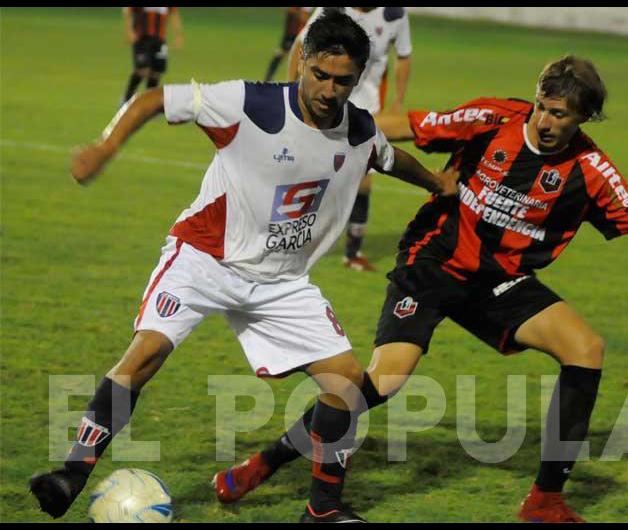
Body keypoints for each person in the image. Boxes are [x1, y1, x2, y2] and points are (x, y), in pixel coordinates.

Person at [212, 55, 628, 522]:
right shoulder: (494, 117)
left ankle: (544, 501)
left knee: (585, 348)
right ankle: (268, 461)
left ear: (583, 119)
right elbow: (407, 125)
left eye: (559, 114)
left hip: (500, 282)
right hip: (433, 264)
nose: (543, 120)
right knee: (382, 382)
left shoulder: (590, 169)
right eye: (542, 105)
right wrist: (327, 127)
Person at [29, 10, 456, 523]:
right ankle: (71, 474)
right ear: (302, 60)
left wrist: (436, 182)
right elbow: (154, 99)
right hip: (205, 258)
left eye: (343, 80)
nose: (328, 89)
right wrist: (106, 145)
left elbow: (389, 159)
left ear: (360, 77)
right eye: (320, 74)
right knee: (145, 354)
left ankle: (322, 511)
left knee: (346, 383)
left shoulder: (358, 129)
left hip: (280, 281)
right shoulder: (251, 104)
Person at [290, 7, 413, 272]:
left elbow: (404, 56)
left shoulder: (395, 15)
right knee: (304, 170)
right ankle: (289, 239)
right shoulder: (332, 9)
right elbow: (301, 44)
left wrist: (398, 102)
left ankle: (353, 252)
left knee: (364, 182)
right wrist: (290, 91)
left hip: (365, 108)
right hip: (326, 101)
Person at [121, 7, 184, 106]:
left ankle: (149, 105)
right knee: (142, 70)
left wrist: (178, 35)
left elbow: (174, 13)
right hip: (141, 38)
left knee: (155, 73)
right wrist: (129, 31)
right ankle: (126, 99)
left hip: (159, 40)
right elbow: (128, 11)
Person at [264, 7, 314, 82]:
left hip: (300, 35)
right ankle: (267, 80)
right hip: (290, 33)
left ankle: (297, 82)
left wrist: (295, 11)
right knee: (280, 54)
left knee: (301, 58)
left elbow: (305, 17)